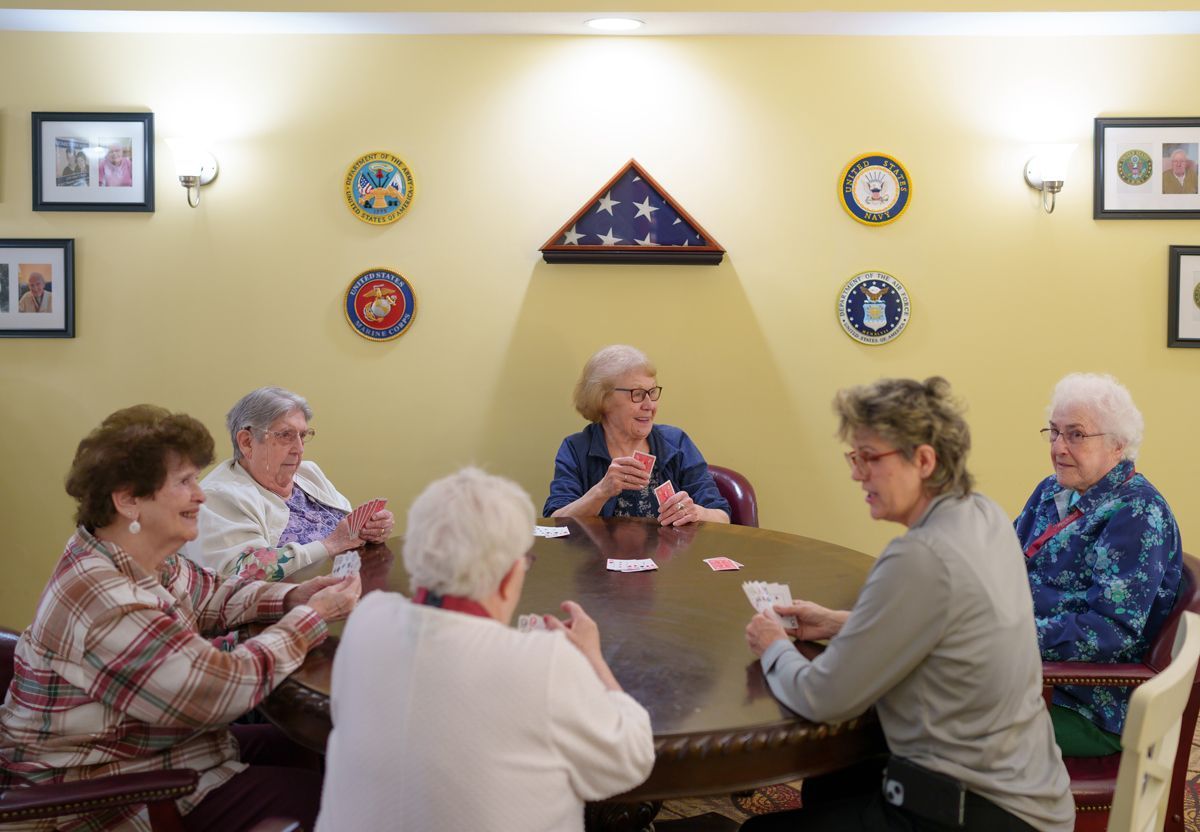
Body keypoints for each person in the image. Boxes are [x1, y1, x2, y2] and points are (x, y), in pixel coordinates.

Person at [0, 405, 362, 831]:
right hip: (105, 795)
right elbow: (219, 691)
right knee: (339, 804)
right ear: (129, 500)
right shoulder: (108, 598)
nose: (201, 494)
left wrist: (293, 595)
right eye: (185, 482)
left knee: (329, 757)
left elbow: (213, 594)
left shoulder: (132, 554)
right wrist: (311, 618)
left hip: (155, 750)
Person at [742, 377, 1072, 832]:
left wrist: (773, 644)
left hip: (975, 808)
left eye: (869, 458)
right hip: (1033, 788)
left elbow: (822, 699)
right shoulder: (984, 514)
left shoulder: (919, 556)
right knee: (829, 787)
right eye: (853, 457)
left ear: (923, 460)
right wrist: (845, 624)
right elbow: (951, 626)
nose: (857, 473)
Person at [317, 467, 655, 831]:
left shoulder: (368, 619)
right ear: (510, 575)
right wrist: (590, 656)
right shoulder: (544, 661)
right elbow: (631, 759)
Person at [1015, 372, 1181, 757]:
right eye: (1054, 432)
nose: (1058, 447)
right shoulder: (1051, 491)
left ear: (1118, 445)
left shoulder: (1137, 512)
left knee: (931, 711)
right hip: (1028, 675)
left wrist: (1007, 639)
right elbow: (1005, 559)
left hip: (1085, 701)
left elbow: (1108, 632)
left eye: (1076, 434)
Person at [189, 386, 394, 580]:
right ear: (247, 442)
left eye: (303, 435)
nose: (299, 448)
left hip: (345, 586)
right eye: (286, 435)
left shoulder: (308, 472)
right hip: (283, 608)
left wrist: (371, 529)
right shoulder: (218, 496)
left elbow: (347, 529)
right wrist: (330, 544)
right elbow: (240, 574)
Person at [544, 345, 730, 525]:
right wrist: (601, 491)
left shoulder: (676, 442)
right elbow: (556, 521)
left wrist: (697, 512)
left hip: (670, 557)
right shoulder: (576, 448)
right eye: (638, 394)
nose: (649, 405)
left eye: (652, 392)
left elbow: (722, 516)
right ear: (603, 399)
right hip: (598, 557)